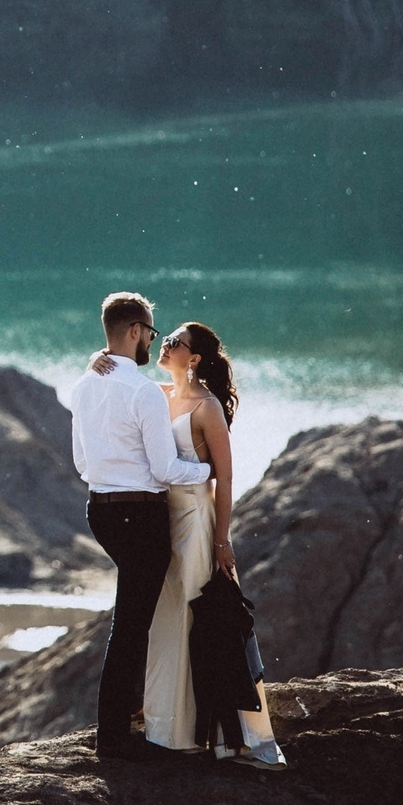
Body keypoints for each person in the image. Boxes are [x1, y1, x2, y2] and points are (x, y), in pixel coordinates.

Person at [93, 320, 285, 771]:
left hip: (196, 521)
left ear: (194, 358)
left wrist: (222, 539)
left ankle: (206, 732)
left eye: (174, 342)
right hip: (160, 518)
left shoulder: (207, 407)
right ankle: (165, 726)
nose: (164, 345)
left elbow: (226, 476)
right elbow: (123, 386)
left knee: (194, 619)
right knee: (164, 618)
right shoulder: (158, 393)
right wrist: (96, 361)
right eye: (164, 338)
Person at [63, 292, 210, 764]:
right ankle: (113, 737)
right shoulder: (143, 391)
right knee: (130, 627)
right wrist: (208, 472)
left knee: (130, 619)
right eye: (150, 330)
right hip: (140, 517)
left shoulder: (84, 386)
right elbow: (166, 470)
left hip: (101, 512)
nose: (152, 338)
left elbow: (82, 462)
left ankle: (126, 716)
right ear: (133, 331)